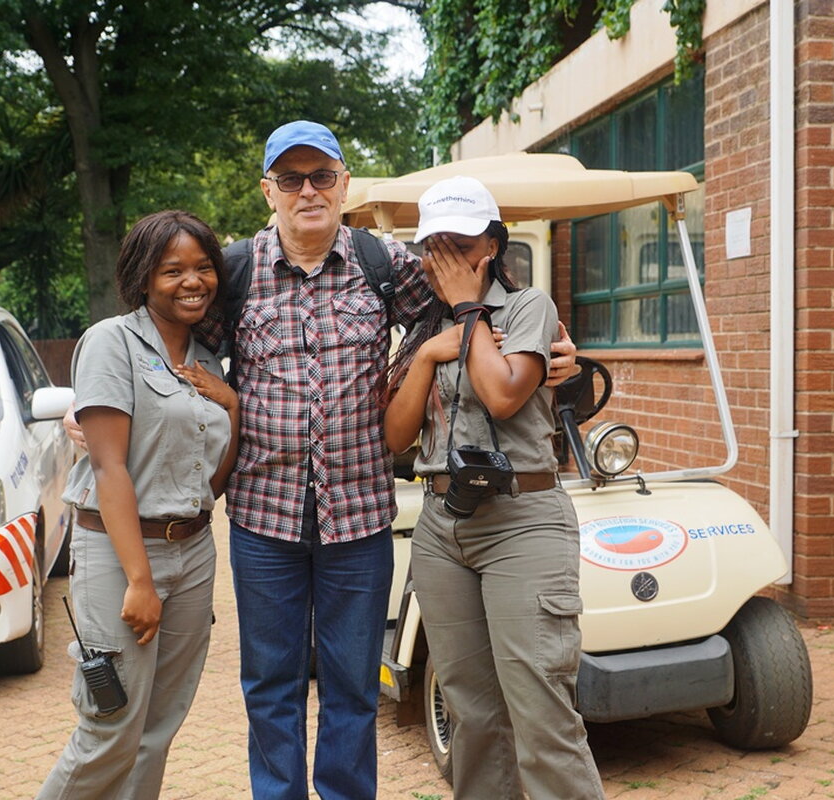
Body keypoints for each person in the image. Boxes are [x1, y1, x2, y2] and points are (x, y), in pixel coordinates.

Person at [63, 120, 580, 800]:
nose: (307, 191)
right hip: (263, 520)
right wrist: (94, 406)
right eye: (290, 179)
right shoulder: (234, 273)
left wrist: (560, 356)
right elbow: (167, 342)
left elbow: (476, 300)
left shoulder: (385, 264)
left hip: (359, 518)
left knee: (352, 689)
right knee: (270, 687)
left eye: (321, 177)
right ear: (268, 191)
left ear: (343, 184)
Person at [383, 176, 606, 800]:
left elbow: (505, 395)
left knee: (541, 712)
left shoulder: (529, 307)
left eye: (462, 243)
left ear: (492, 244)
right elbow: (395, 436)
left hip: (521, 521)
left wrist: (467, 310)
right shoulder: (422, 327)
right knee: (471, 713)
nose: (447, 257)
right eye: (436, 245)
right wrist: (427, 354)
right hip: (441, 528)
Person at [37, 210, 239, 800]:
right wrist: (140, 580)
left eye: (203, 267)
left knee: (157, 728)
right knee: (111, 727)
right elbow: (109, 467)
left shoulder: (207, 359)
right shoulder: (111, 342)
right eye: (173, 270)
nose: (192, 281)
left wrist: (232, 405)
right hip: (121, 552)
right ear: (143, 277)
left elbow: (213, 480)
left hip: (193, 550)